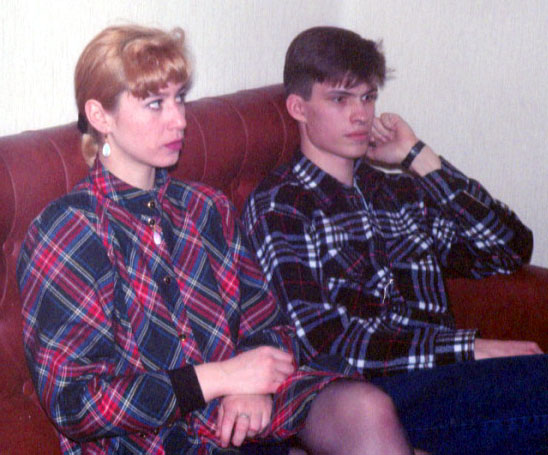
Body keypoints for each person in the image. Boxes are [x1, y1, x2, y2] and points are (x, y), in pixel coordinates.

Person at [16, 25, 421, 455]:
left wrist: (251, 388)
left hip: (248, 419)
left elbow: (270, 324)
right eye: (155, 104)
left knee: (365, 409)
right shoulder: (68, 229)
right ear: (100, 117)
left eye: (179, 99)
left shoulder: (206, 208)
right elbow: (76, 404)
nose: (179, 120)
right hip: (151, 441)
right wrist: (222, 378)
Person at [242, 26, 548, 455]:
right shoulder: (282, 206)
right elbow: (324, 344)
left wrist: (419, 157)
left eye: (367, 97)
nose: (361, 115)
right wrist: (468, 349)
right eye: (340, 99)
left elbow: (508, 247)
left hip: (445, 381)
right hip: (369, 394)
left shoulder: (396, 192)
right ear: (299, 107)